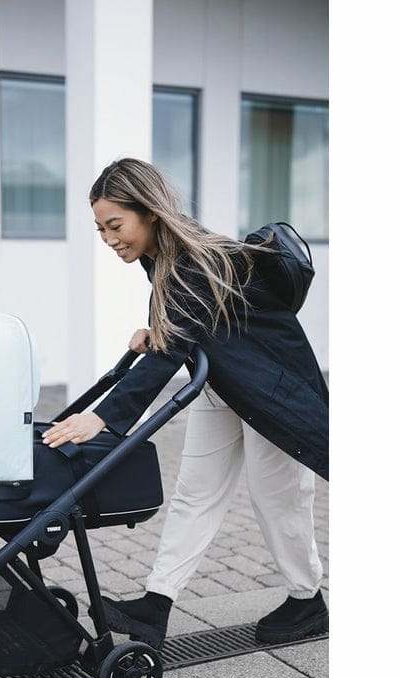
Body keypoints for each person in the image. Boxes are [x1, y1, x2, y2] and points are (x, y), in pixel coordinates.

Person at [42, 158, 328, 651]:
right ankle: (157, 604)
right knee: (195, 494)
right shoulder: (161, 255)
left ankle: (307, 601)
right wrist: (156, 328)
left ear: (149, 212)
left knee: (277, 498)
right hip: (223, 384)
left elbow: (172, 348)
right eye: (101, 229)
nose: (109, 239)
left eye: (115, 225)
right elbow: (194, 321)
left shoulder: (197, 259)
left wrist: (103, 417)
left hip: (272, 392)